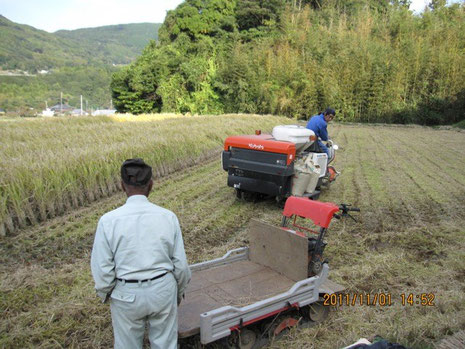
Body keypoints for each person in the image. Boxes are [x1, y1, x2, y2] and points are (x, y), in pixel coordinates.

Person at [91, 158, 191, 349]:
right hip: (162, 290)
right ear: (151, 185)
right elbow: (180, 265)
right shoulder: (168, 217)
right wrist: (177, 293)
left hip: (125, 294)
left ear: (122, 186)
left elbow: (102, 269)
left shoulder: (108, 221)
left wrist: (107, 293)